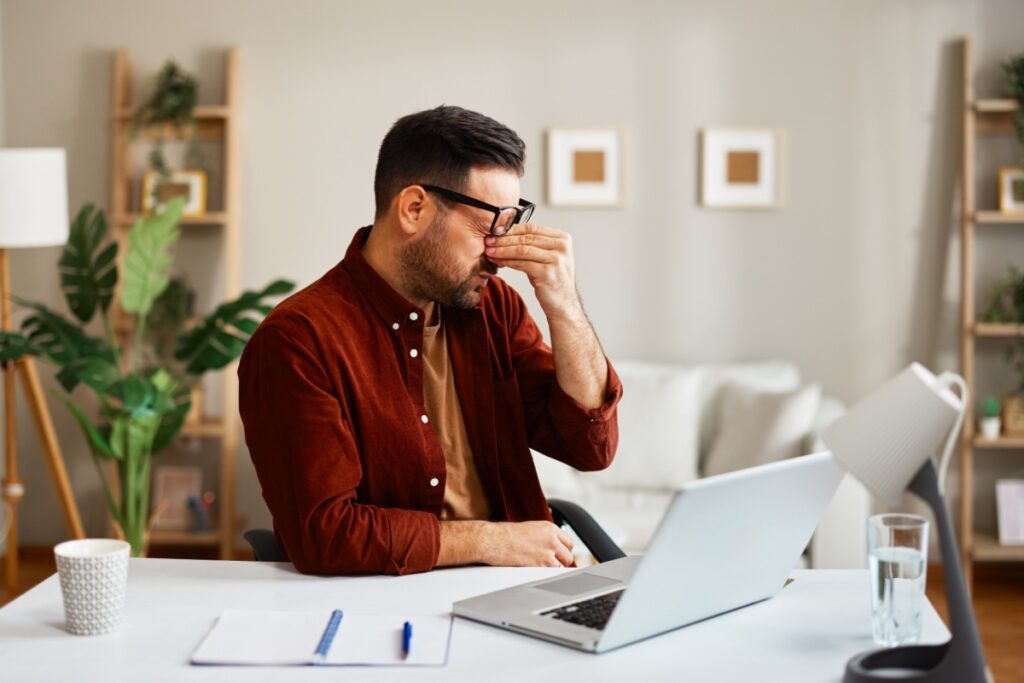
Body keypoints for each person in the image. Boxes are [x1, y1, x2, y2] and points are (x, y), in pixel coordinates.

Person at [238, 105, 622, 575]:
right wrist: (488, 540)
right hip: (389, 598)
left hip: (517, 587)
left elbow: (590, 448)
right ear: (414, 209)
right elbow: (325, 533)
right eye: (490, 224)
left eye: (512, 221)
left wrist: (562, 302)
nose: (500, 252)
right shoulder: (298, 341)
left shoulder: (493, 309)